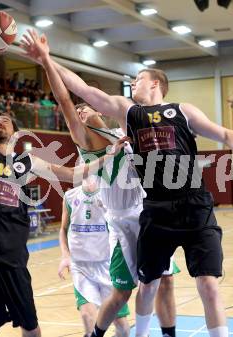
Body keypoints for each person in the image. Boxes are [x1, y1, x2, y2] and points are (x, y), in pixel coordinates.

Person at [20, 30, 233, 337]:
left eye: (138, 79)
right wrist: (46, 59)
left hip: (174, 204)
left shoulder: (159, 119)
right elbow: (75, 92)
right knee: (135, 288)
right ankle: (108, 333)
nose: (132, 83)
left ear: (155, 83)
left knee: (184, 282)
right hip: (140, 215)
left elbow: (223, 134)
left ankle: (170, 332)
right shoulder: (114, 124)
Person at [0, 43, 128, 337]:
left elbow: (75, 174)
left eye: (5, 121)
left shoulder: (27, 162)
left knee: (31, 327)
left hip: (12, 256)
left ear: (15, 132)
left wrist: (109, 157)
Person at [21, 30, 180, 337]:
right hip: (121, 223)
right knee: (123, 293)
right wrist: (45, 61)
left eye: (85, 108)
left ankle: (166, 333)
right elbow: (65, 97)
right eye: (77, 112)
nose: (80, 111)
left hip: (149, 213)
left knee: (166, 279)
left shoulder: (126, 127)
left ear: (98, 112)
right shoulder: (88, 142)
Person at [59, 179, 130, 337]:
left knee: (123, 329)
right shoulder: (70, 197)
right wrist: (65, 255)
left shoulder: (110, 196)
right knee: (87, 317)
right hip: (81, 267)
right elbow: (63, 229)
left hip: (107, 266)